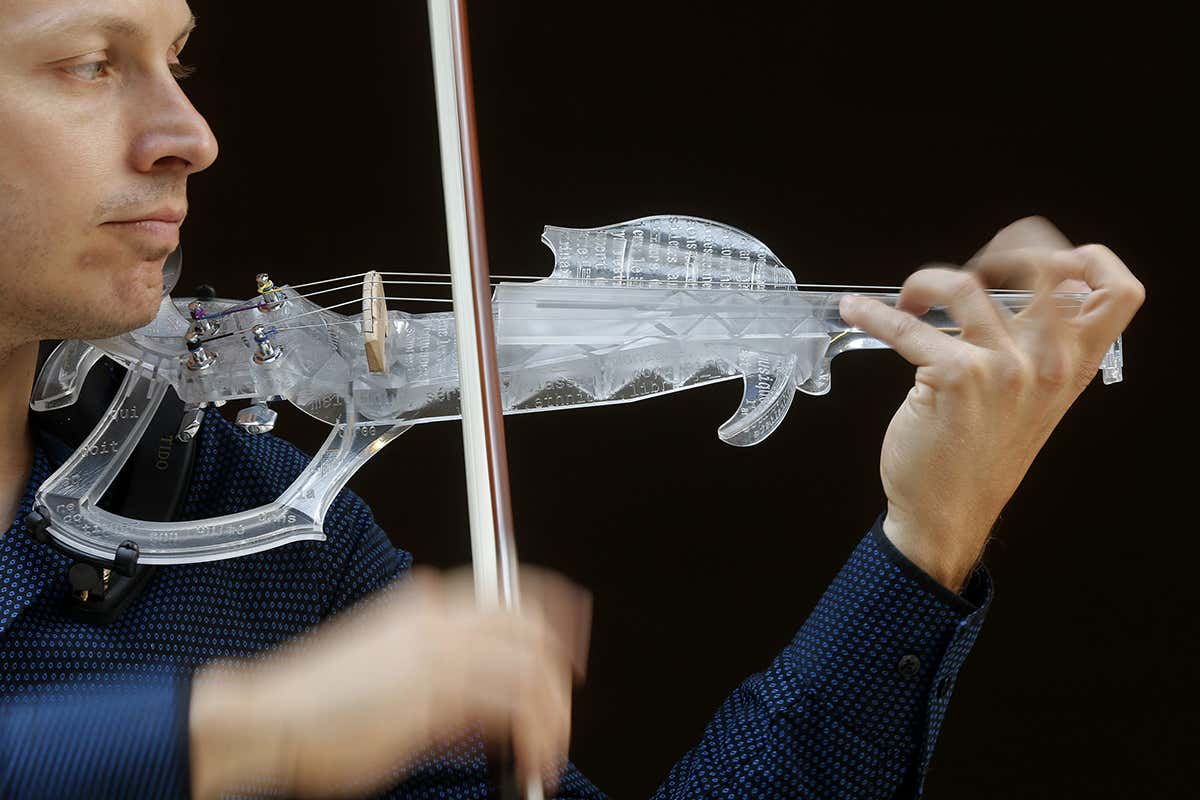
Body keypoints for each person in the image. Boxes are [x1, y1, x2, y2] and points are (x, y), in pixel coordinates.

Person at [0, 1, 1145, 798]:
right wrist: (242, 728)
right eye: (90, 63)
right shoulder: (282, 679)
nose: (188, 136)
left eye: (176, 59)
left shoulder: (233, 523)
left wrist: (927, 533)